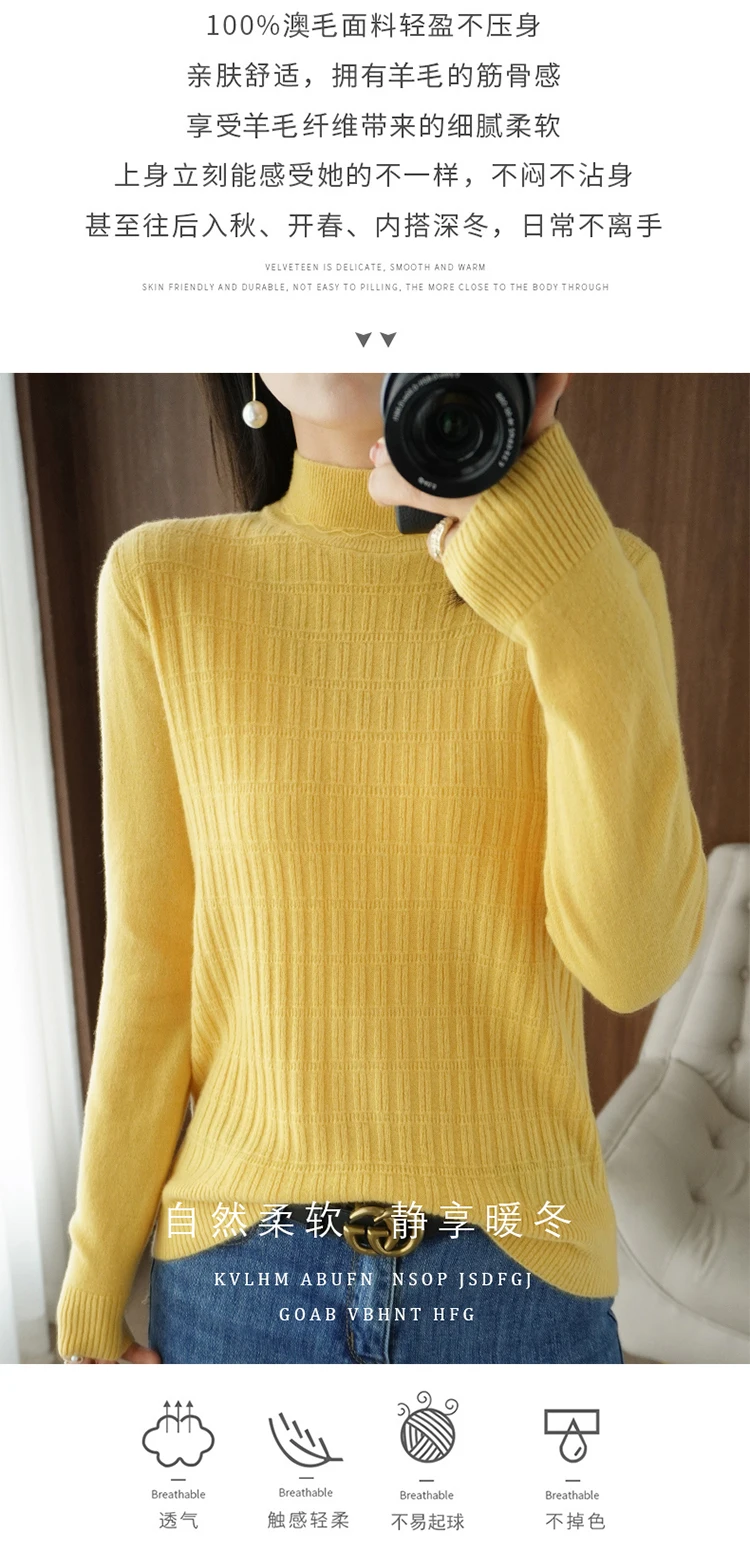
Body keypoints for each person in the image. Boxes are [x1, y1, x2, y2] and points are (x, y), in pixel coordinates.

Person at [55, 373, 708, 1365]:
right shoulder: (161, 583)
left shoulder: (600, 575)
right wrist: (93, 1283)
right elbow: (149, 969)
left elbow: (633, 960)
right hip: (238, 1279)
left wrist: (565, 586)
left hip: (517, 1271)